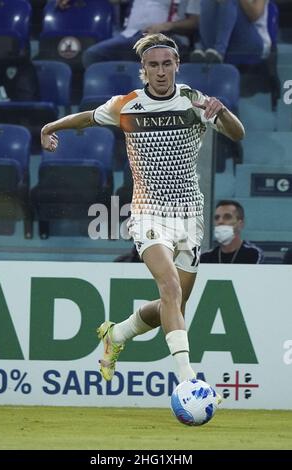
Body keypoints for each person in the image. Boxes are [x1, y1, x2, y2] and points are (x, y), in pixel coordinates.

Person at [41, 33, 245, 385]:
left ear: (177, 66)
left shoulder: (194, 102)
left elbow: (237, 134)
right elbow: (87, 118)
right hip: (147, 212)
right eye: (154, 65)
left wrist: (223, 110)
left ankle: (116, 334)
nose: (161, 71)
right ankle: (187, 381)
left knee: (173, 304)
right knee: (169, 287)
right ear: (143, 70)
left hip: (189, 214)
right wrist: (50, 126)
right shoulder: (127, 105)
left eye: (167, 64)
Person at [82, 0, 200, 67]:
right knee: (92, 55)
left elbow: (194, 22)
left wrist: (166, 26)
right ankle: (112, 104)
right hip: (131, 36)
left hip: (166, 37)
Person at [190, 0, 271, 64]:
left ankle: (219, 52)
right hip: (226, 41)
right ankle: (207, 50)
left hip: (253, 41)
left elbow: (255, 16)